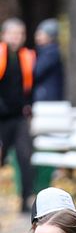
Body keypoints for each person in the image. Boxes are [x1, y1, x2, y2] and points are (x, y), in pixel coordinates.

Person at [0, 18, 35, 213]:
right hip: (1, 119)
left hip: (19, 117)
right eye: (13, 33)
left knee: (24, 156)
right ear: (4, 35)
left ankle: (25, 201)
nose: (17, 38)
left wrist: (29, 106)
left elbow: (31, 87)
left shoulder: (26, 57)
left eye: (20, 34)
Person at [32, 18, 63, 102]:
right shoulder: (44, 52)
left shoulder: (50, 54)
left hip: (46, 99)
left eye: (40, 34)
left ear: (50, 37)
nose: (37, 37)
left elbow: (35, 72)